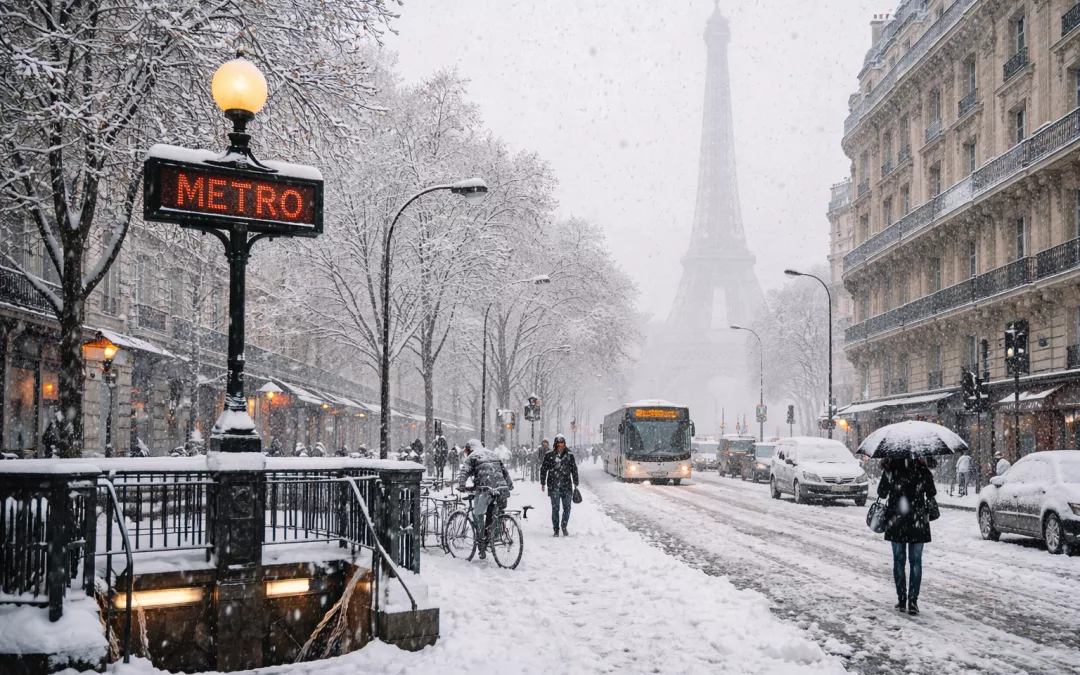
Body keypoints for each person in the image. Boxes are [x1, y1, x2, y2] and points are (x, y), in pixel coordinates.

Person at [877, 456, 936, 616]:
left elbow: (882, 493)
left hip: (896, 521)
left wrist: (886, 469)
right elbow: (931, 492)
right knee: (916, 562)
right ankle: (913, 600)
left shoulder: (891, 470)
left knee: (899, 561)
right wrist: (925, 469)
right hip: (918, 521)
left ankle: (902, 598)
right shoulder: (922, 470)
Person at [456, 439, 513, 559]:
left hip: (485, 488)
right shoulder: (492, 454)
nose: (467, 453)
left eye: (467, 450)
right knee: (493, 512)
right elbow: (504, 471)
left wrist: (461, 484)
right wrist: (509, 484)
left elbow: (465, 471)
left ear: (470, 448)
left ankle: (481, 541)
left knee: (478, 513)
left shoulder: (473, 456)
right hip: (501, 489)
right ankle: (491, 534)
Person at [540, 434, 579, 537]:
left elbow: (574, 470)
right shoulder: (549, 455)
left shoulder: (569, 455)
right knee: (555, 509)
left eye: (562, 445)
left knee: (567, 508)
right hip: (554, 486)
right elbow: (543, 469)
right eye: (559, 445)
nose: (561, 447)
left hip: (566, 486)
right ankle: (556, 529)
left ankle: (564, 526)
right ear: (555, 445)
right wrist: (543, 483)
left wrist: (576, 482)